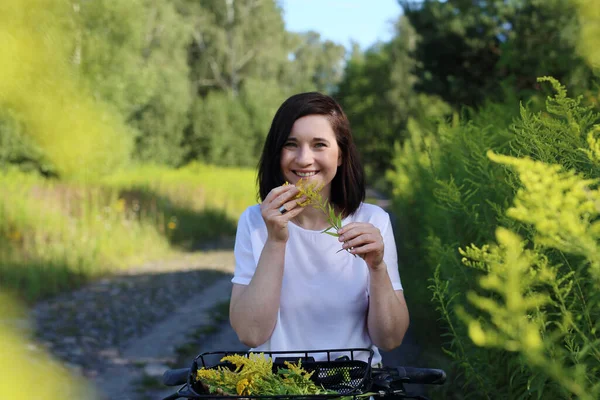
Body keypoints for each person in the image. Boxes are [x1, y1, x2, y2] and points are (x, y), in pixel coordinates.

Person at [229, 92, 409, 366]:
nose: (303, 159)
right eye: (291, 144)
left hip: (353, 387)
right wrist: (276, 241)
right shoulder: (255, 221)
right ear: (277, 153)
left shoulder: (373, 220)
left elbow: (391, 339)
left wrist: (377, 267)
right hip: (276, 389)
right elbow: (251, 334)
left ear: (340, 155)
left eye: (319, 145)